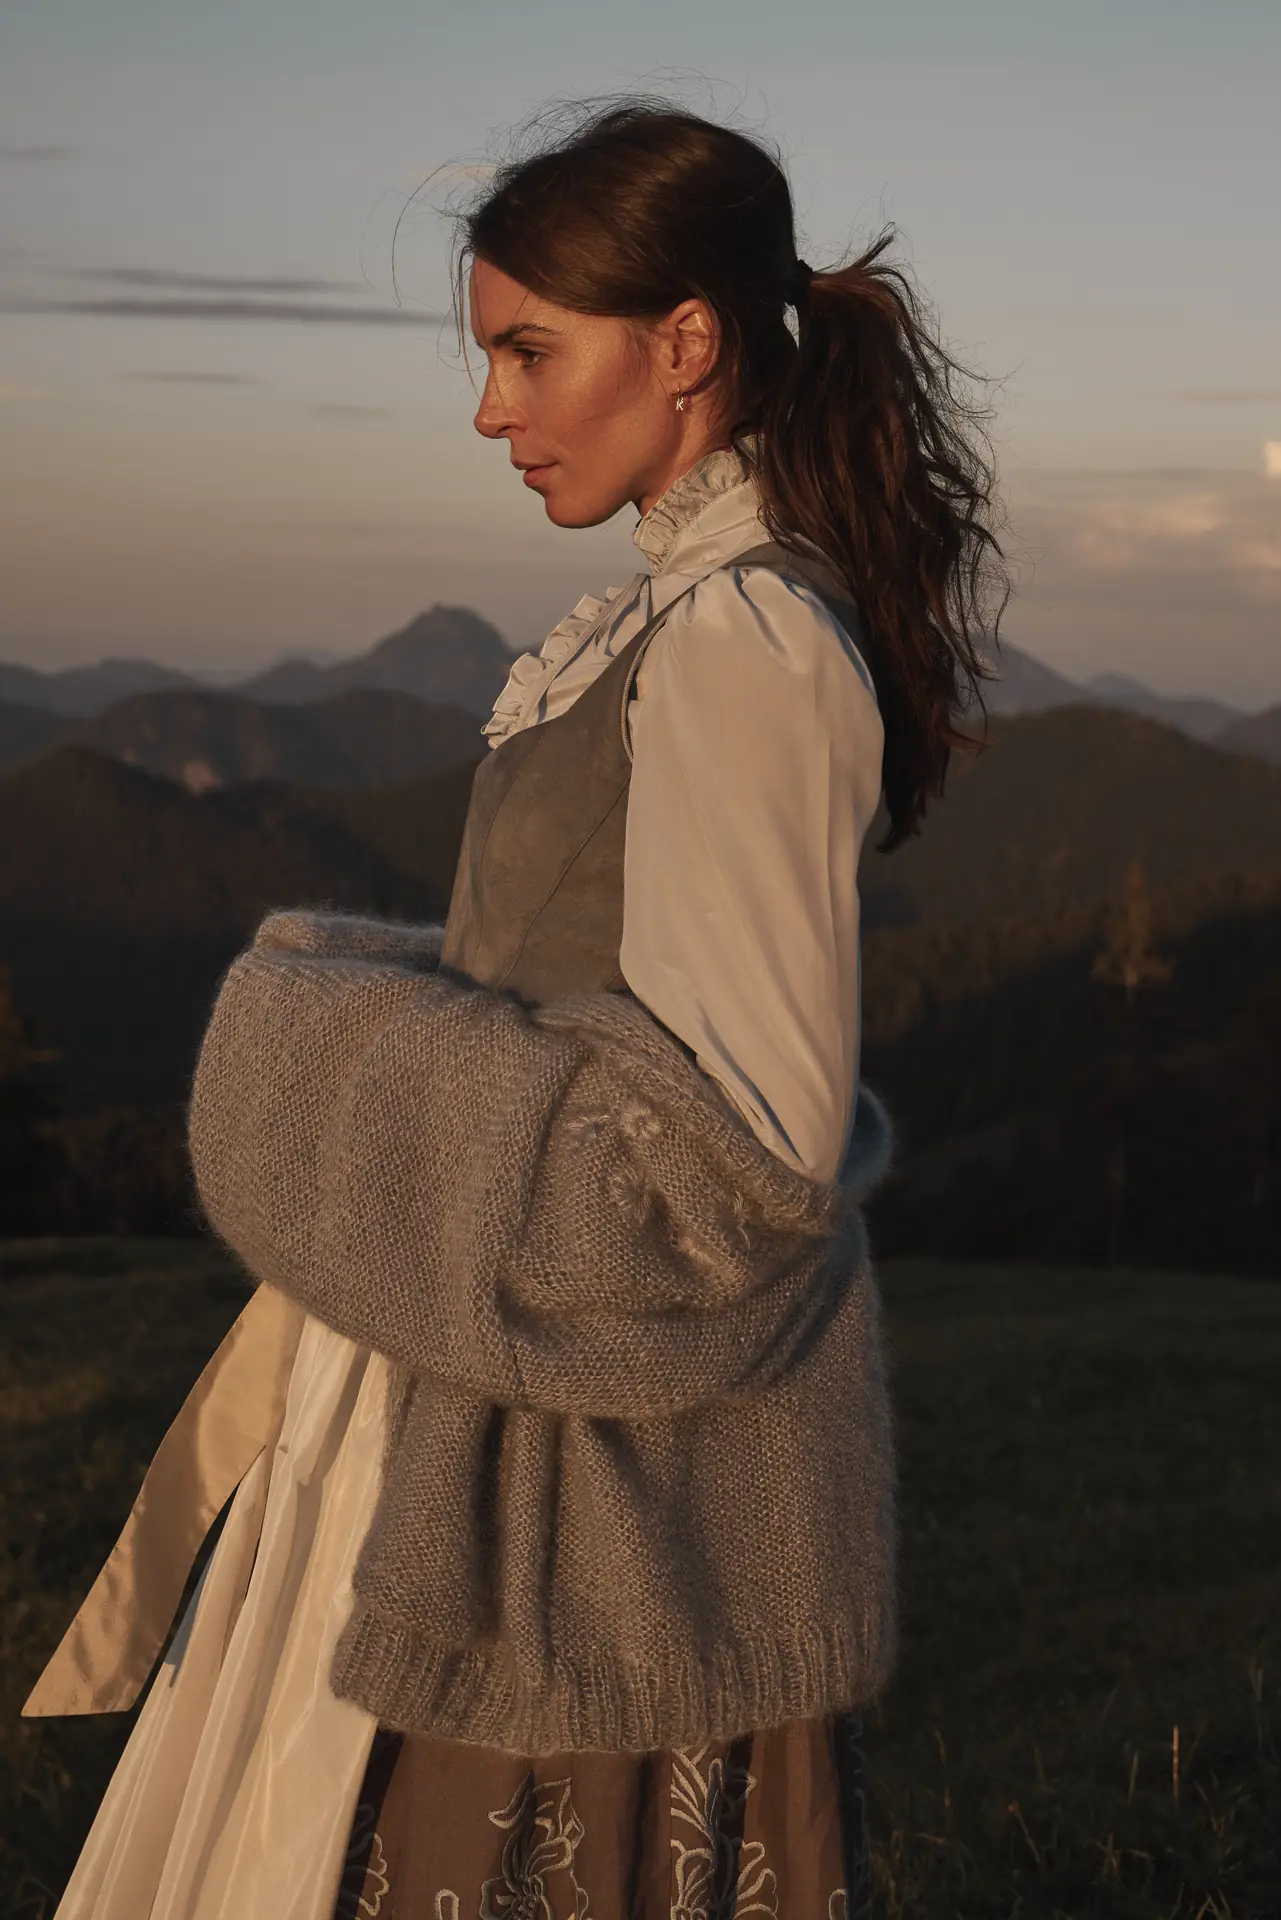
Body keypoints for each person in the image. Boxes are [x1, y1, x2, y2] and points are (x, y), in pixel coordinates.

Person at [28, 99, 1004, 1920]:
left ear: (686, 342)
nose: (492, 409)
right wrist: (395, 1020)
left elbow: (739, 1171)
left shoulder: (749, 644)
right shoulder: (679, 616)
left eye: (527, 351)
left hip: (594, 1459)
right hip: (494, 1354)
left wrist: (345, 1057)